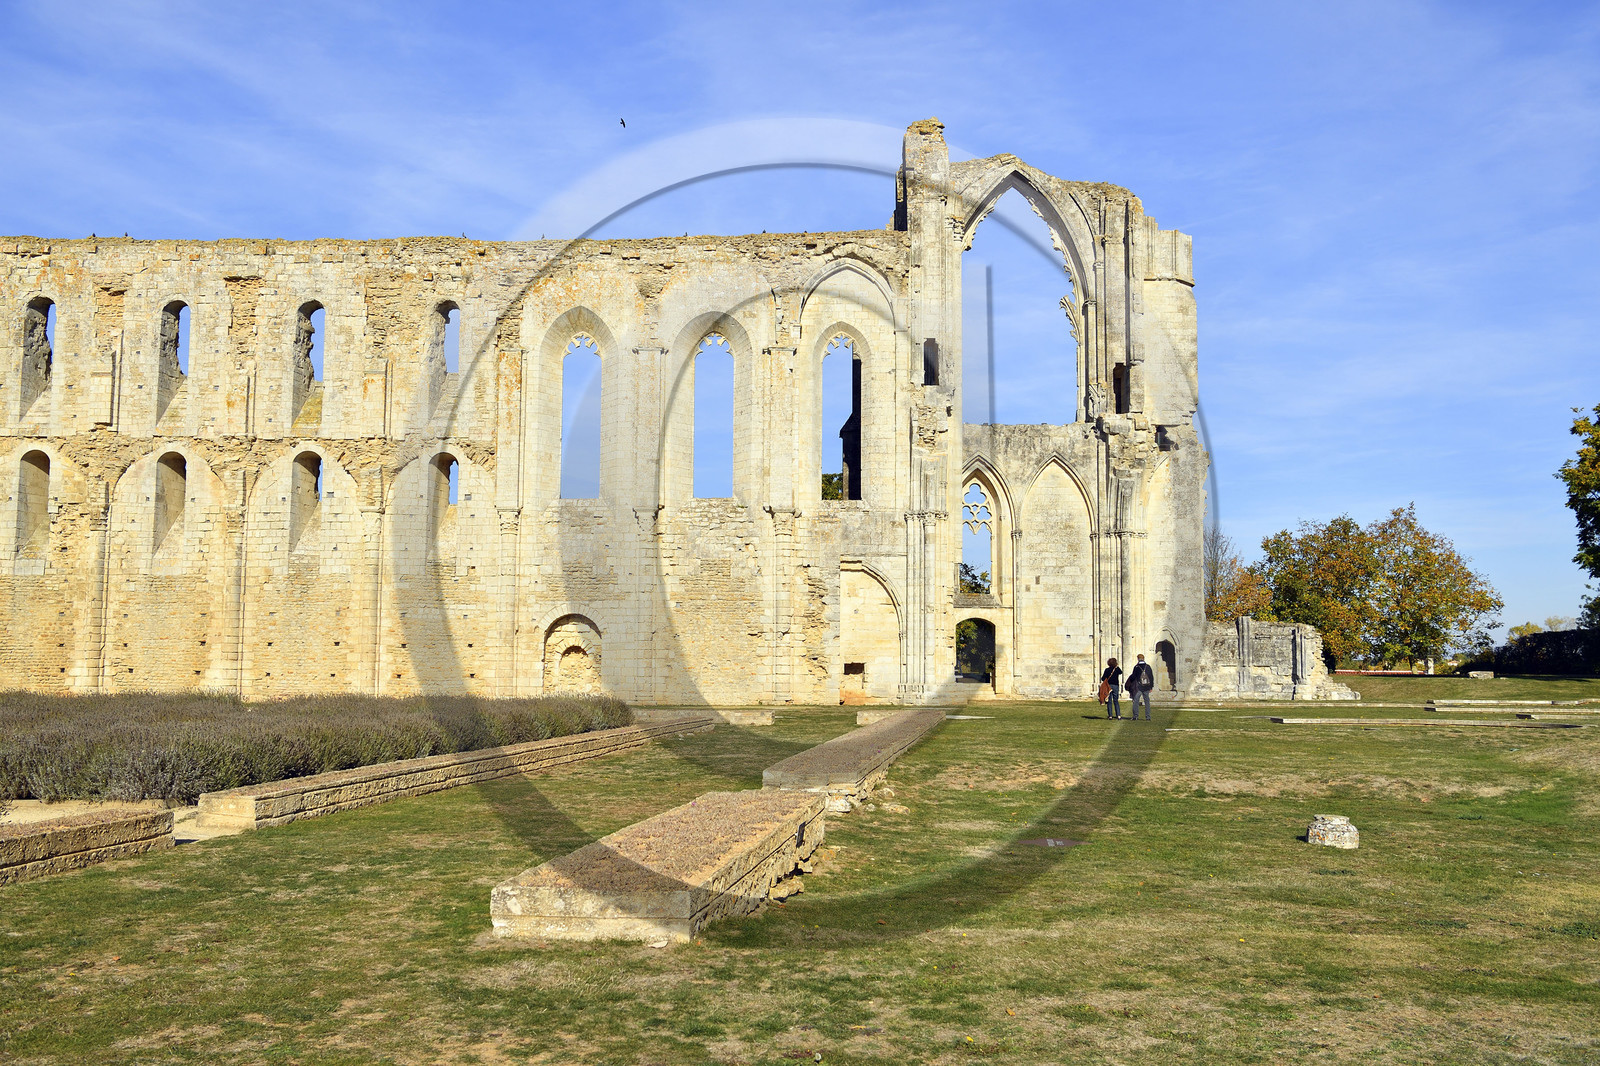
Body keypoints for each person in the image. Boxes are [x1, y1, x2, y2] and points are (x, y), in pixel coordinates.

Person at [1127, 653, 1155, 720]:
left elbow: (1133, 677)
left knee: (1136, 701)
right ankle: (1148, 717)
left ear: (1138, 659)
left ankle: (1135, 716)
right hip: (1147, 686)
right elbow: (1151, 677)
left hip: (1138, 687)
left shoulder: (1136, 667)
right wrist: (1151, 687)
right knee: (1147, 702)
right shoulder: (1148, 667)